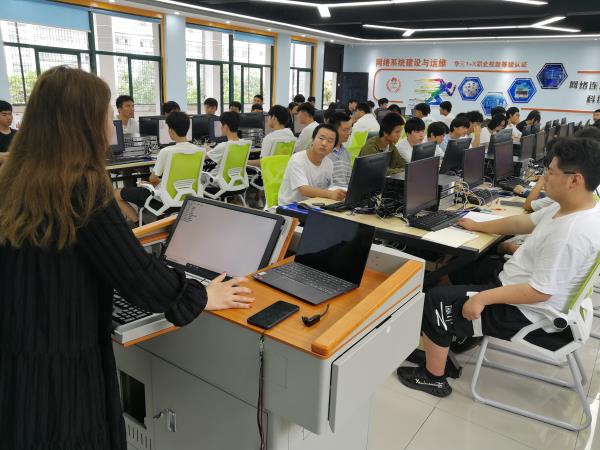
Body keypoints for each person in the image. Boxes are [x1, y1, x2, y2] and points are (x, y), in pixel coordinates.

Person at [0, 66, 253, 450]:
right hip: (63, 359)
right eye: (106, 113)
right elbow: (138, 277)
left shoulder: (14, 178)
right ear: (84, 122)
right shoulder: (81, 186)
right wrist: (201, 295)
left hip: (19, 350)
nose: (111, 123)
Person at [397, 137, 600, 398]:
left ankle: (434, 378)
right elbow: (521, 224)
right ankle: (455, 331)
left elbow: (539, 292)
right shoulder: (573, 208)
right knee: (457, 266)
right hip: (516, 281)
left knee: (436, 299)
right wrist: (476, 226)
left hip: (526, 310)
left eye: (551, 172)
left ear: (575, 180)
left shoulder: (571, 234)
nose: (545, 178)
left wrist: (482, 299)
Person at [115, 111, 203, 223]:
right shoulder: (199, 151)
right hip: (188, 196)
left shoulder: (166, 151)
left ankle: (139, 224)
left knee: (115, 193)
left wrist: (150, 183)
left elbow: (153, 179)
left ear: (171, 131)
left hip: (163, 198)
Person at [278, 124, 346, 205]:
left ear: (333, 148)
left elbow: (327, 187)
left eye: (330, 141)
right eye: (321, 138)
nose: (324, 143)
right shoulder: (297, 159)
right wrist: (331, 194)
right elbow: (303, 190)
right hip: (291, 206)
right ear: (313, 140)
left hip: (314, 204)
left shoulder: (329, 163)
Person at [327, 112, 353, 187]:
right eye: (345, 130)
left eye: (349, 129)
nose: (349, 133)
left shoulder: (346, 152)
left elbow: (349, 180)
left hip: (345, 191)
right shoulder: (324, 153)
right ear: (333, 131)